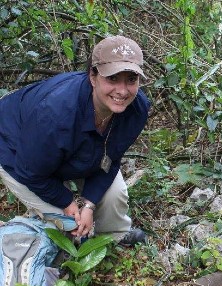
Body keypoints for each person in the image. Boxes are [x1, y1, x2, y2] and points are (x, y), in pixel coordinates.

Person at [0, 35, 150, 245]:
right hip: (16, 150)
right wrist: (68, 203)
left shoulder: (136, 109)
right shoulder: (56, 111)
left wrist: (88, 205)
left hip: (73, 150)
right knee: (66, 228)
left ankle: (112, 238)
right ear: (93, 76)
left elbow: (112, 159)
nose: (122, 90)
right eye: (112, 78)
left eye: (131, 79)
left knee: (114, 195)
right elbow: (31, 172)